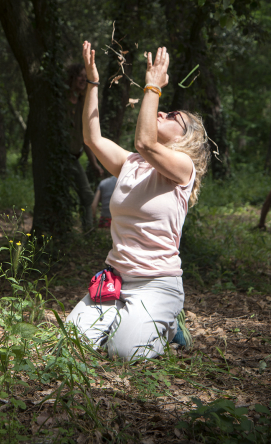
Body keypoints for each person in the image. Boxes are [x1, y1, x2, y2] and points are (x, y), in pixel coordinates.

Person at [65, 42, 211, 360]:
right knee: (71, 345)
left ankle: (171, 328)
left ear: (187, 138)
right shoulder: (131, 163)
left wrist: (153, 85)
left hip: (156, 285)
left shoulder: (182, 170)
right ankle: (128, 320)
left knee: (126, 353)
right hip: (115, 279)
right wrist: (92, 81)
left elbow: (145, 140)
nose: (161, 112)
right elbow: (92, 138)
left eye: (172, 116)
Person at [65, 64, 104, 231]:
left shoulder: (82, 103)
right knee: (61, 196)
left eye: (85, 76)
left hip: (73, 158)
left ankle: (88, 232)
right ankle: (62, 232)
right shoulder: (62, 101)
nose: (83, 79)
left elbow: (84, 138)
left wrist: (94, 164)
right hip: (59, 159)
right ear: (71, 77)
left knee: (87, 196)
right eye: (80, 76)